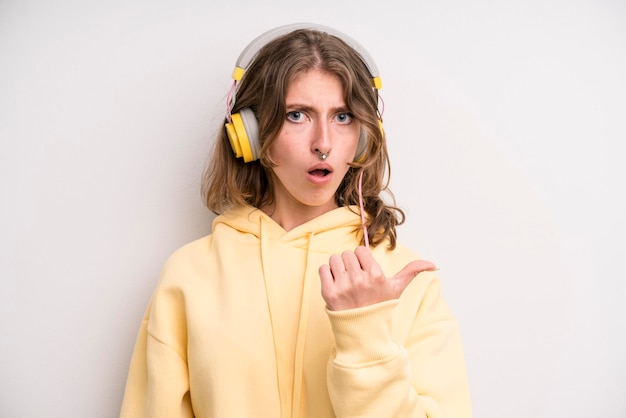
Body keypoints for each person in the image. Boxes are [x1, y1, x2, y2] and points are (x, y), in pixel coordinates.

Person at [119, 23, 472, 418]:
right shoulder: (189, 275)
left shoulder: (404, 279)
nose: (323, 142)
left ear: (364, 138)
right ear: (250, 135)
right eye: (297, 115)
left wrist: (366, 334)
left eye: (342, 117)